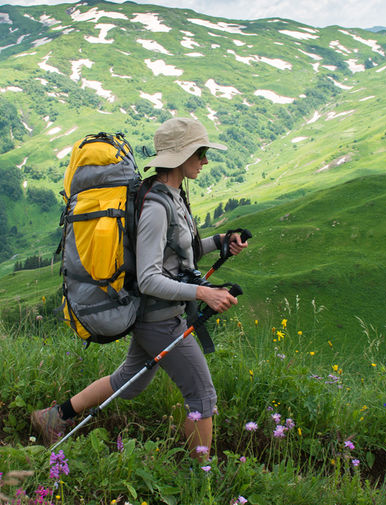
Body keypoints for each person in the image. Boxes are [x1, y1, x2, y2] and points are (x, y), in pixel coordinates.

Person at [31, 117, 248, 462]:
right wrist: (205, 293)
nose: (205, 160)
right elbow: (148, 279)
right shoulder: (157, 207)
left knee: (130, 381)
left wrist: (220, 241)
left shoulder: (171, 196)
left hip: (160, 314)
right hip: (159, 319)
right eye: (201, 152)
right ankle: (202, 475)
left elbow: (176, 253)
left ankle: (52, 417)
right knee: (202, 394)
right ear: (181, 156)